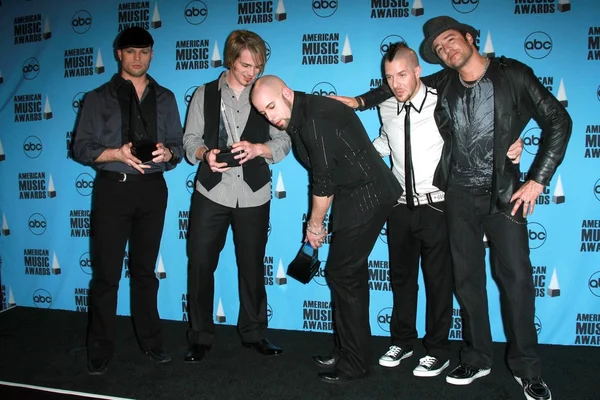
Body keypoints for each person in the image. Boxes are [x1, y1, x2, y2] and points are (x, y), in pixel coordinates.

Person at [339, 15, 571, 400]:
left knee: (516, 284)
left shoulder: (512, 74)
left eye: (450, 40)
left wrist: (538, 178)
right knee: (467, 284)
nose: (447, 50)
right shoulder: (442, 81)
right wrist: (361, 101)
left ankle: (527, 369)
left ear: (469, 37)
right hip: (457, 196)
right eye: (440, 49)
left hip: (504, 196)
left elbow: (558, 120)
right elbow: (401, 87)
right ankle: (478, 357)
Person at [251, 75, 402, 384]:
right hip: (352, 191)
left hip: (369, 192)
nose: (271, 117)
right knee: (349, 273)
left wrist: (314, 224)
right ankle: (349, 350)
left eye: (271, 107)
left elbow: (323, 182)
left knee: (343, 273)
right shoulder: (299, 113)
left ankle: (355, 363)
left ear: (287, 93)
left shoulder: (315, 118)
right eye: (264, 113)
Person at [73, 27, 184, 375]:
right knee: (106, 275)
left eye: (145, 51)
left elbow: (178, 147)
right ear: (118, 53)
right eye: (131, 51)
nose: (138, 58)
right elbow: (80, 147)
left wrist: (169, 153)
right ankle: (100, 348)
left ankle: (151, 342)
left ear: (152, 54)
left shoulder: (165, 97)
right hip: (113, 188)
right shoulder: (97, 97)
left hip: (153, 189)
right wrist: (114, 152)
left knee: (145, 272)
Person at [183, 30, 290, 363]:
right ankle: (200, 336)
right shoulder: (204, 94)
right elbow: (189, 142)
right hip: (211, 192)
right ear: (230, 60)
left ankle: (255, 333)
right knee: (200, 264)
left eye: (257, 66)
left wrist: (260, 148)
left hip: (254, 193)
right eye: (246, 65)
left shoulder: (266, 94)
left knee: (252, 267)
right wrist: (205, 155)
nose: (252, 73)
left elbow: (284, 141)